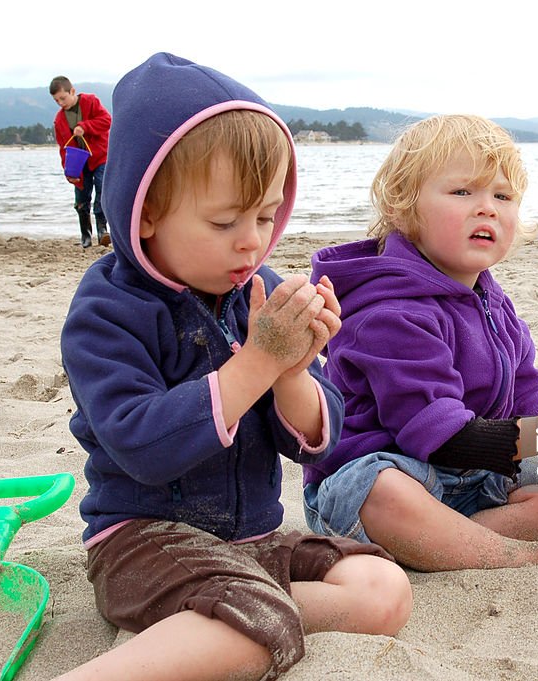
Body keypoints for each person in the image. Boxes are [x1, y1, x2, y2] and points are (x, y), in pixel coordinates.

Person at [55, 53, 411, 681]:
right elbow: (141, 443)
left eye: (267, 216)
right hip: (143, 541)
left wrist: (294, 371)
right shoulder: (108, 310)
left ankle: (204, 623)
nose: (252, 240)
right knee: (257, 629)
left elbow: (317, 440)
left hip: (249, 543)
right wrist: (257, 364)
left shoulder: (258, 292)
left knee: (384, 588)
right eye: (225, 221)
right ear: (145, 211)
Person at [305, 114, 538, 571]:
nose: (487, 208)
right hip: (392, 473)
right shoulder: (389, 312)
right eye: (462, 192)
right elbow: (436, 436)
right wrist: (537, 435)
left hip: (469, 477)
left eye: (502, 196)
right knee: (383, 490)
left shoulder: (488, 296)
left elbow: (525, 387)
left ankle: (447, 544)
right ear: (402, 207)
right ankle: (530, 554)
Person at [50, 75, 112, 248]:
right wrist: (68, 171)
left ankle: (102, 230)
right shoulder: (59, 120)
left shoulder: (91, 102)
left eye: (63, 98)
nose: (61, 103)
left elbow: (107, 121)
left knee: (102, 191)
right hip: (78, 161)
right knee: (81, 198)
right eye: (56, 101)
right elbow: (64, 148)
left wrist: (85, 127)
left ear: (72, 91)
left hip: (100, 156)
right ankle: (85, 234)